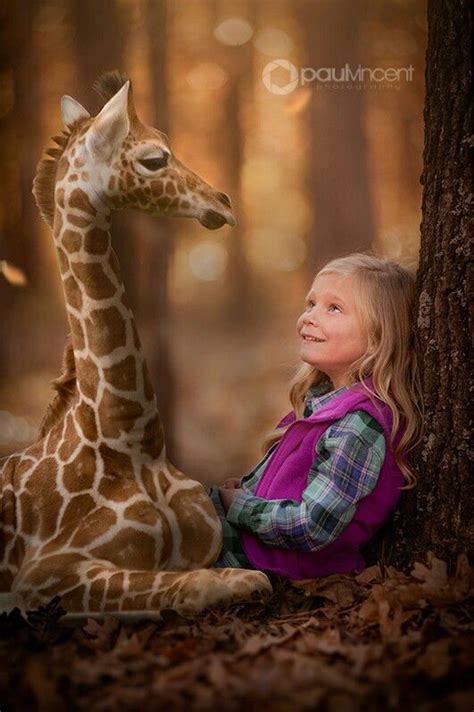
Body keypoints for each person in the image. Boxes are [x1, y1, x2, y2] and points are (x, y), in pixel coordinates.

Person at [208, 252, 424, 579]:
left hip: (266, 563)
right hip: (255, 546)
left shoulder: (358, 425)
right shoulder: (325, 407)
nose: (308, 317)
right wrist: (247, 490)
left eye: (333, 308)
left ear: (379, 337)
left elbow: (313, 525)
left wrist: (237, 506)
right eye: (311, 304)